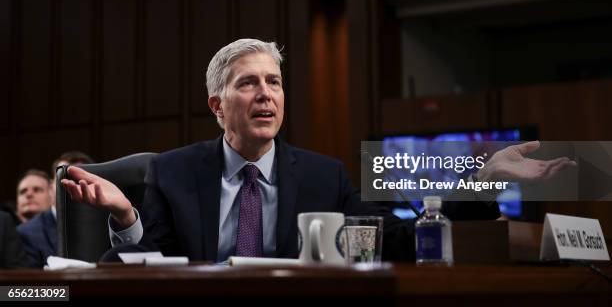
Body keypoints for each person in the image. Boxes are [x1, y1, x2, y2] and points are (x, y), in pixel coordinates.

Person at [62, 39, 575, 262]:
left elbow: (398, 240)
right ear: (218, 105)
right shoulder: (173, 172)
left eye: (275, 83)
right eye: (249, 84)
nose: (266, 94)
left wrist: (482, 178)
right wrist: (127, 215)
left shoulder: (322, 177)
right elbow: (137, 266)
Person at [17, 151, 94, 268]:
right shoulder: (26, 233)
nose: (71, 185)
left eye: (80, 180)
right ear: (51, 187)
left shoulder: (109, 225)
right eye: (64, 178)